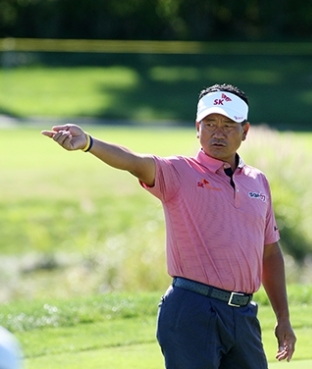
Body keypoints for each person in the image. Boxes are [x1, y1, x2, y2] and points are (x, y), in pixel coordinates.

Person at [41, 83, 296, 368]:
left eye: (228, 124)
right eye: (210, 123)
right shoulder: (179, 172)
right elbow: (134, 162)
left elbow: (270, 253)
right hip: (192, 310)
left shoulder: (257, 181)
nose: (218, 132)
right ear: (197, 128)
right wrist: (89, 143)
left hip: (243, 314)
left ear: (245, 131)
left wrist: (282, 318)